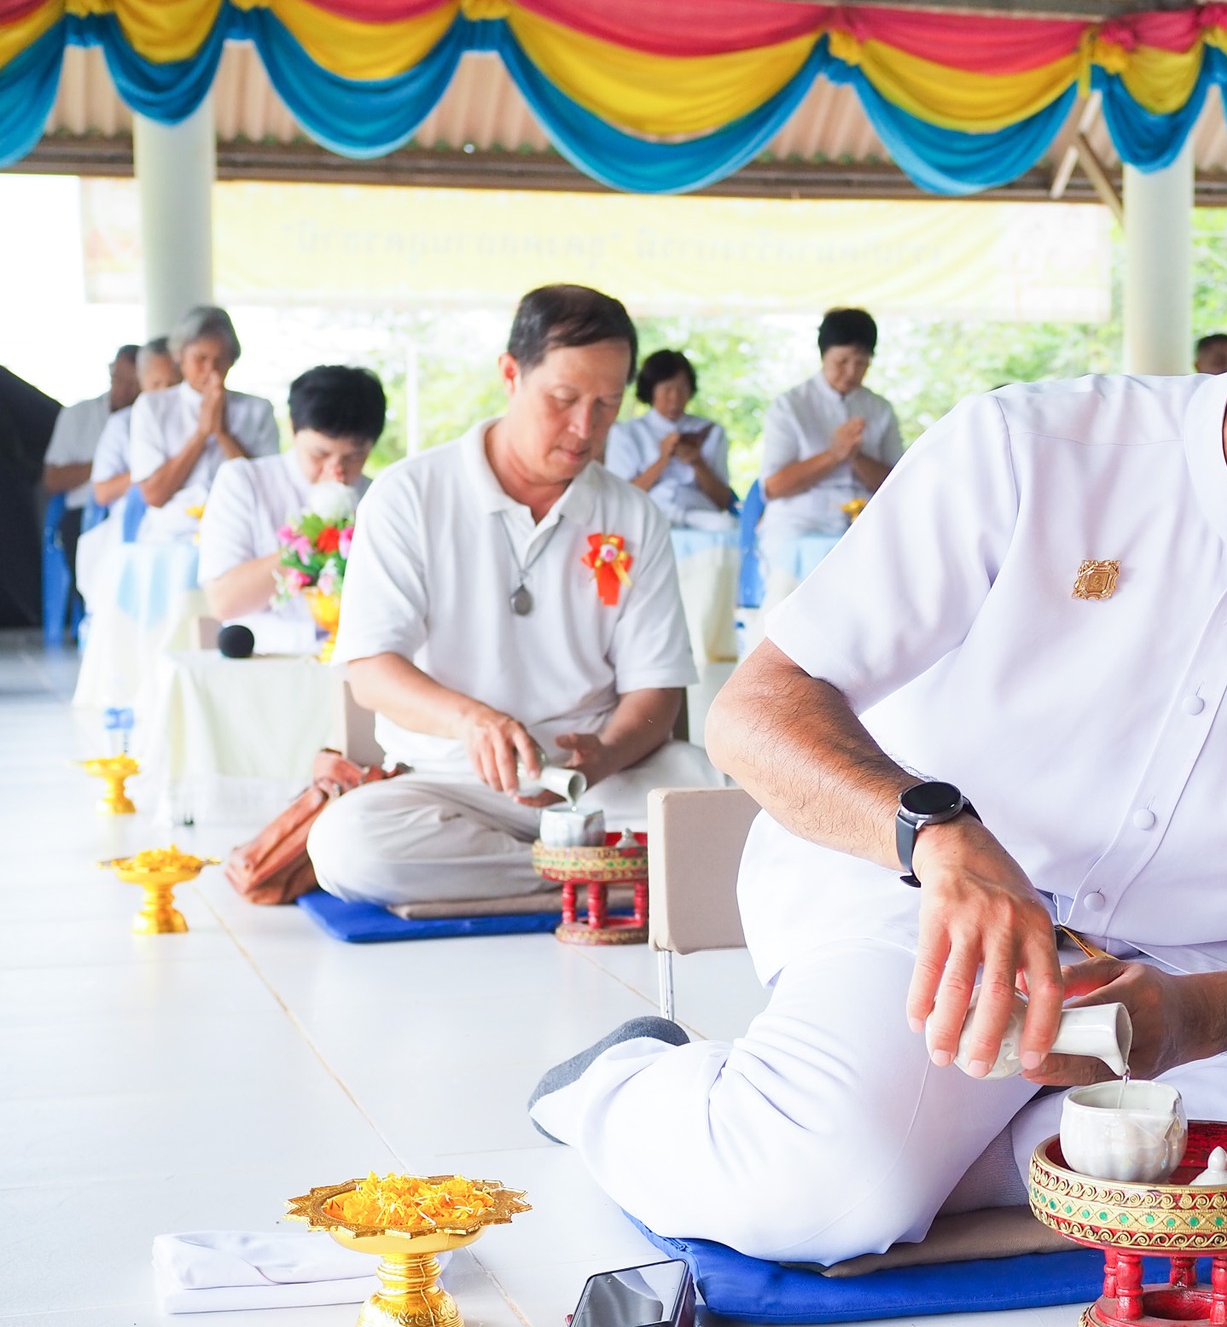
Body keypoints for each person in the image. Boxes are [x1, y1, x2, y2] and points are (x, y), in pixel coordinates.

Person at [529, 220, 1227, 1265]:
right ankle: (621, 1086)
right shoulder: (1033, 449)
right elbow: (752, 710)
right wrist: (937, 839)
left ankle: (979, 1134)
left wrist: (1194, 1017)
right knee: (809, 1194)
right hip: (924, 914)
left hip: (1181, 976)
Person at [307, 286, 722, 907]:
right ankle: (604, 882)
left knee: (733, 819)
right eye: (564, 399)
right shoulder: (408, 496)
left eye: (607, 405)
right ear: (510, 373)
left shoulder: (632, 514)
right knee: (348, 846)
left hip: (602, 785)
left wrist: (603, 754)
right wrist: (472, 720)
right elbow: (371, 672)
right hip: (452, 784)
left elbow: (657, 692)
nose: (586, 429)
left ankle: (573, 880)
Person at [199, 366, 385, 655]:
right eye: (319, 454)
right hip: (263, 658)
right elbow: (224, 602)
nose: (335, 471)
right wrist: (313, 540)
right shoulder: (244, 481)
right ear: (293, 429)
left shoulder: (380, 498)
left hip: (357, 659)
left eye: (353, 457)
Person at [755, 308, 904, 557]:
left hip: (864, 523)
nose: (850, 372)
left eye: (861, 364)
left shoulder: (880, 409)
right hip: (800, 524)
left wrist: (856, 457)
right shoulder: (790, 406)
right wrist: (833, 455)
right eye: (842, 362)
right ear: (824, 355)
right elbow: (773, 488)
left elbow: (898, 483)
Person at [128, 306, 279, 542]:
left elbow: (266, 492)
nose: (211, 370)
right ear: (180, 357)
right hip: (171, 537)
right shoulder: (152, 407)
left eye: (220, 360)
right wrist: (201, 434)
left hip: (238, 534)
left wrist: (222, 433)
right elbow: (154, 495)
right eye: (201, 359)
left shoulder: (257, 409)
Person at [42, 345, 140, 627]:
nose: (126, 389)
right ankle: (90, 620)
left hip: (137, 510)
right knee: (85, 541)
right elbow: (53, 480)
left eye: (135, 383)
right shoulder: (79, 415)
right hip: (85, 513)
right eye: (120, 379)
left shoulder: (150, 417)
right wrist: (104, 466)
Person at [606, 350, 734, 524]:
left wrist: (697, 462)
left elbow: (724, 502)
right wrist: (662, 458)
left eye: (682, 389)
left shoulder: (711, 431)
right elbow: (620, 499)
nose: (674, 399)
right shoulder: (626, 433)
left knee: (727, 525)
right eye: (667, 390)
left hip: (700, 517)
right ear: (651, 390)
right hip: (648, 516)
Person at [89, 339, 177, 509]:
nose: (164, 393)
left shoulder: (200, 418)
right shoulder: (122, 423)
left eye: (173, 384)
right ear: (141, 382)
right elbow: (102, 492)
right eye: (156, 384)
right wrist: (153, 472)